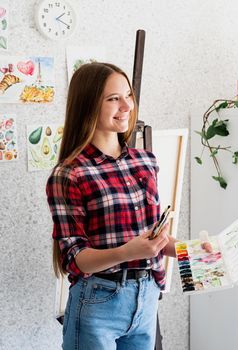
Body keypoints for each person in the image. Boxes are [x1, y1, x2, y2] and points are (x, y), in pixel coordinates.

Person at [46, 62, 177, 350]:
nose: (127, 106)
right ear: (88, 105)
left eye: (128, 95)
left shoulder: (145, 161)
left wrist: (192, 250)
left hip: (146, 297)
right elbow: (75, 259)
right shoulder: (69, 174)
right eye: (113, 99)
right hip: (98, 302)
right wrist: (128, 251)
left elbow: (153, 238)